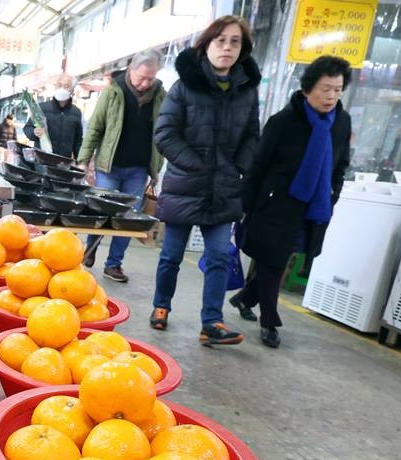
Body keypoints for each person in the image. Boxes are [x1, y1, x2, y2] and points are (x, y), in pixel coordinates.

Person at [150, 15, 261, 346]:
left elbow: (252, 136)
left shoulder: (246, 90)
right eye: (220, 40)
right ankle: (160, 306)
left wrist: (237, 168)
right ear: (206, 44)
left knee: (219, 258)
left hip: (224, 189)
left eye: (235, 42)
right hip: (186, 185)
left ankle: (211, 322)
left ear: (243, 49)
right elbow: (165, 134)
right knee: (171, 256)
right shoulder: (184, 86)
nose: (227, 47)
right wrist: (196, 165)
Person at [230, 55, 353, 348]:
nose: (332, 96)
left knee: (283, 258)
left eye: (337, 90)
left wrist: (333, 194)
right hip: (276, 205)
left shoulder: (341, 122)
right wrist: (245, 205)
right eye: (326, 89)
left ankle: (245, 297)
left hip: (314, 206)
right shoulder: (283, 122)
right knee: (273, 260)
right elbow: (258, 165)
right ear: (308, 88)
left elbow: (341, 164)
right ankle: (269, 322)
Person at [77, 50, 167, 283]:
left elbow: (163, 133)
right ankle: (90, 250)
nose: (145, 83)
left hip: (138, 169)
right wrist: (83, 160)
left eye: (150, 78)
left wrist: (156, 169)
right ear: (131, 70)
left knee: (129, 218)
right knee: (101, 212)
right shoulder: (114, 91)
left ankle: (114, 264)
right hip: (109, 166)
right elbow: (96, 127)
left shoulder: (160, 95)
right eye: (141, 78)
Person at [23, 89, 83, 159]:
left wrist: (80, 160)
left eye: (66, 86)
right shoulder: (42, 108)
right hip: (42, 156)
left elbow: (78, 140)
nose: (63, 88)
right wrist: (34, 132)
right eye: (60, 85)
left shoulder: (76, 112)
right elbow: (27, 128)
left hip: (63, 159)